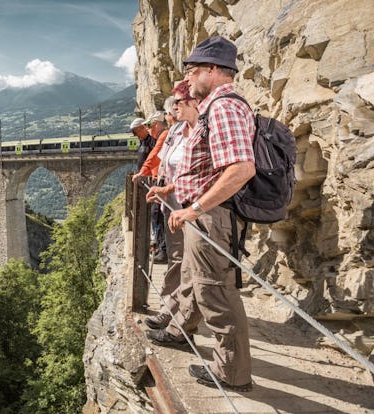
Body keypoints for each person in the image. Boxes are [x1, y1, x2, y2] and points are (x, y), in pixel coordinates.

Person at [145, 36, 256, 392]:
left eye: (193, 71)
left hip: (211, 216)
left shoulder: (223, 107)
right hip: (205, 215)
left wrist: (195, 207)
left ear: (213, 70)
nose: (188, 79)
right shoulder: (215, 107)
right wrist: (176, 193)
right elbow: (206, 169)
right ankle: (186, 333)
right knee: (201, 285)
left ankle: (232, 374)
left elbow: (241, 168)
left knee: (216, 294)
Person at [144, 81, 199, 334]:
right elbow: (162, 159)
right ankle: (171, 311)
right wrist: (159, 186)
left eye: (177, 103)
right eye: (173, 105)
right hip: (173, 209)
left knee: (192, 266)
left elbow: (197, 171)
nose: (173, 109)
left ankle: (181, 322)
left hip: (194, 210)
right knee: (178, 261)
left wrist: (167, 188)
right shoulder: (176, 132)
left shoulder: (200, 129)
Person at [132, 111, 168, 263]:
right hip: (155, 179)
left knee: (157, 215)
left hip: (158, 181)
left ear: (156, 125)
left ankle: (163, 250)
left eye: (149, 126)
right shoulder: (158, 137)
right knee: (156, 214)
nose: (148, 129)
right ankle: (161, 247)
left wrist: (142, 172)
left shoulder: (162, 136)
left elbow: (154, 156)